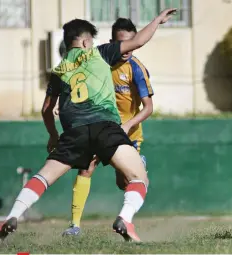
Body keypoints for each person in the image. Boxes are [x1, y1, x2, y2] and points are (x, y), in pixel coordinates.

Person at [0, 8, 176, 245]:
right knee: (139, 178)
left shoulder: (58, 71)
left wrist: (53, 136)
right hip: (105, 127)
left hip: (74, 132)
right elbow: (138, 41)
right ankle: (125, 219)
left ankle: (12, 216)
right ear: (87, 41)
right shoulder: (101, 53)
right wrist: (158, 19)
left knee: (42, 178)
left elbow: (47, 110)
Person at [61, 18, 154, 237]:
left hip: (127, 134)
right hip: (99, 127)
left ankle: (125, 220)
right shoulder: (98, 63)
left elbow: (148, 107)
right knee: (86, 167)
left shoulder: (137, 69)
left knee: (125, 182)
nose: (127, 50)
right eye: (123, 43)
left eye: (132, 43)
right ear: (113, 42)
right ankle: (74, 225)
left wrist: (128, 124)